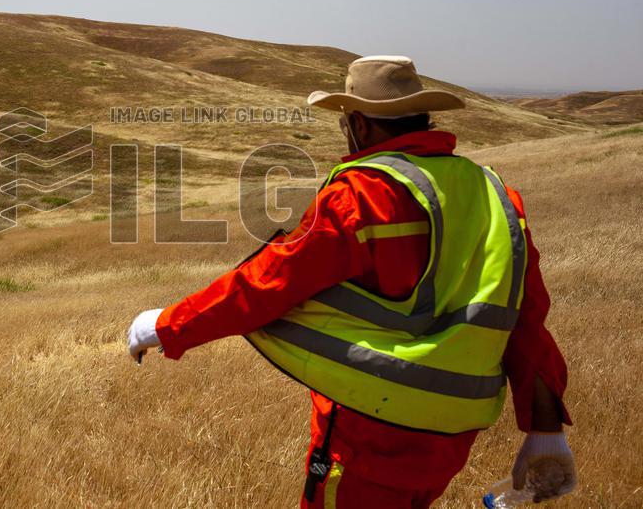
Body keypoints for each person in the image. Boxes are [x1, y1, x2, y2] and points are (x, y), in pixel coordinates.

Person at [127, 56, 575, 508]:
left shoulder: (360, 195)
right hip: (452, 436)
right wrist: (545, 428)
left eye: (345, 122)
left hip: (371, 427)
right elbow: (525, 318)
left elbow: (268, 282)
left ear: (359, 124)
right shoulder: (496, 196)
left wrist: (166, 325)